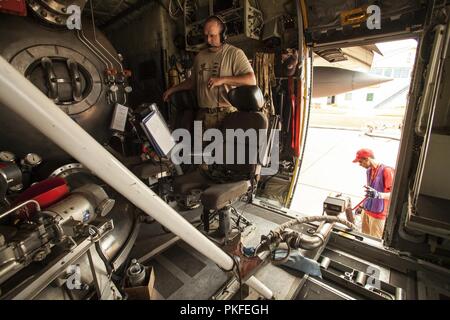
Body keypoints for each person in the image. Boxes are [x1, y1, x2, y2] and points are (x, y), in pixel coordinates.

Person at [163, 15, 256, 130]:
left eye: (212, 36)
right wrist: (171, 90)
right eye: (206, 36)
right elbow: (192, 82)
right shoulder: (200, 56)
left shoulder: (234, 54)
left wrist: (223, 80)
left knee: (223, 149)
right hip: (201, 116)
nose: (208, 40)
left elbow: (251, 80)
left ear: (223, 35)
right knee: (199, 148)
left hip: (225, 116)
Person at [352, 148, 395, 239]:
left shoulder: (387, 171)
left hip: (378, 216)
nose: (359, 165)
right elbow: (370, 192)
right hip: (366, 211)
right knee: (363, 239)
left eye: (360, 162)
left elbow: (394, 195)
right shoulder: (369, 171)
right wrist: (363, 205)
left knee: (374, 242)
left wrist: (379, 195)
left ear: (367, 159)